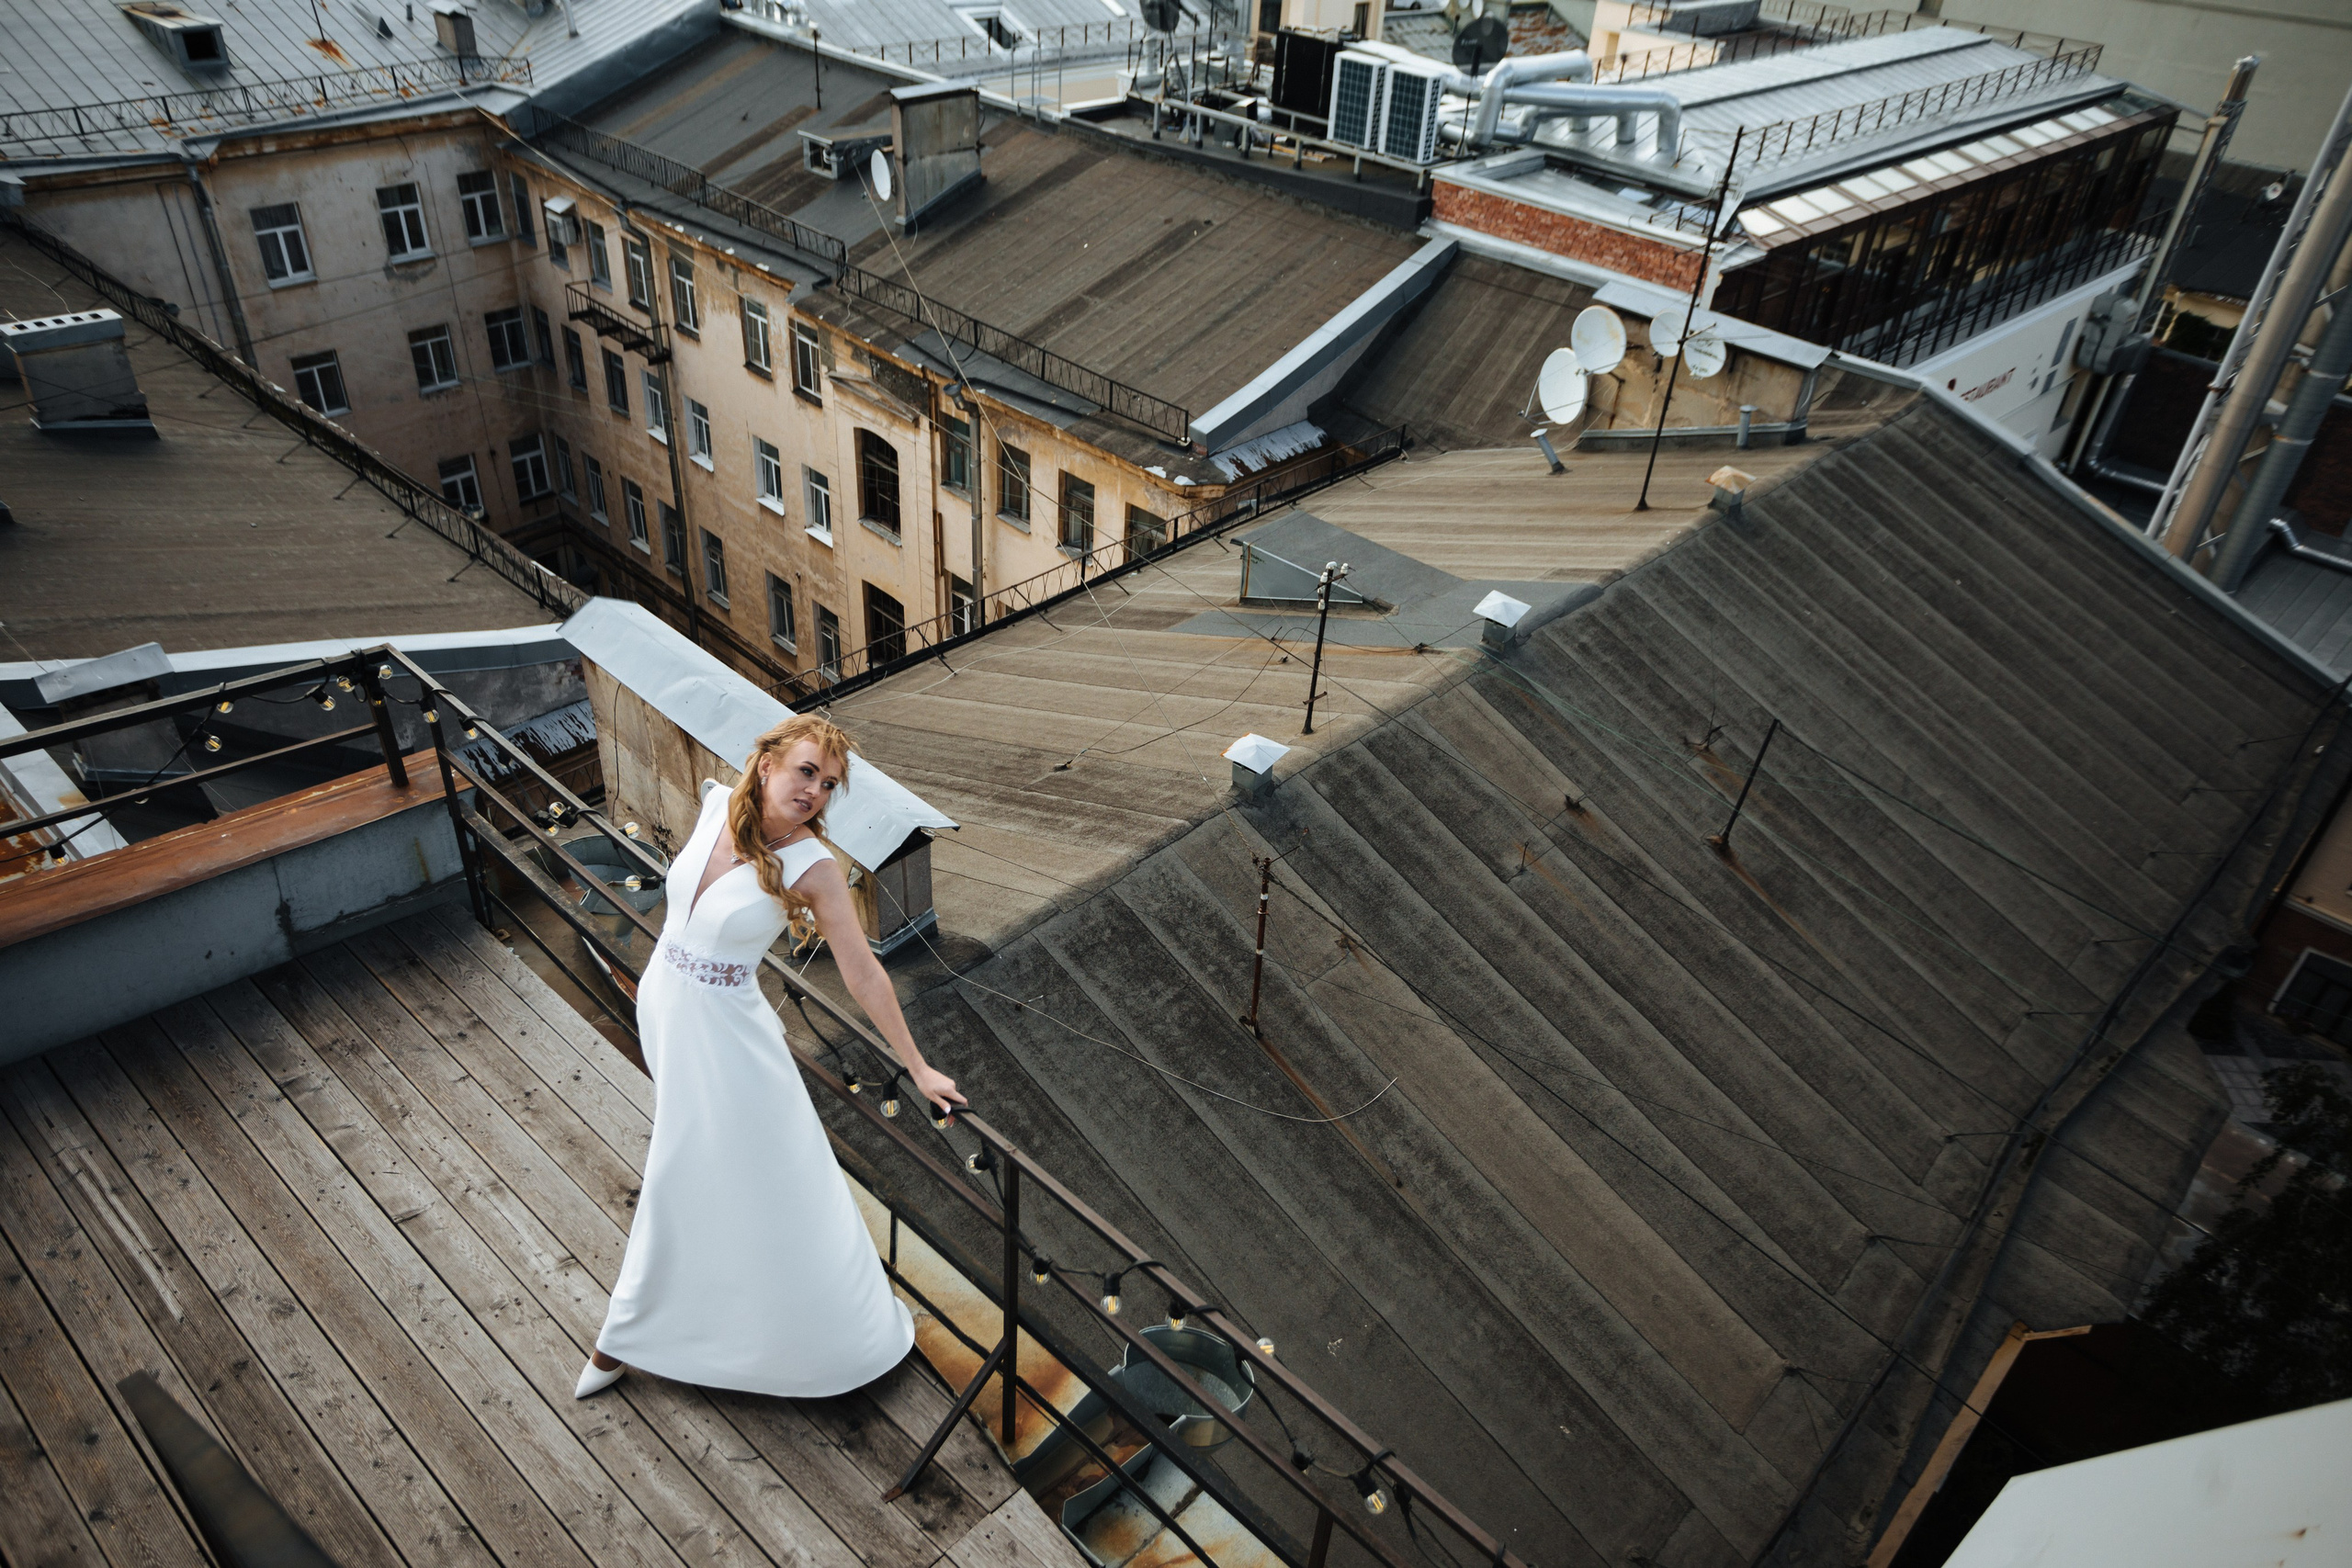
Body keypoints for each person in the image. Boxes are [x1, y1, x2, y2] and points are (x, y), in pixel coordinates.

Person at [576, 714, 964, 1401]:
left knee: (678, 1171)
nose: (815, 790)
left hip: (727, 1044)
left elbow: (865, 976)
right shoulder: (712, 803)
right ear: (767, 764)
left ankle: (620, 1339)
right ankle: (715, 1307)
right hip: (667, 1015)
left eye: (829, 784)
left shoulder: (815, 866)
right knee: (715, 1174)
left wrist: (918, 1065)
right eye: (806, 771)